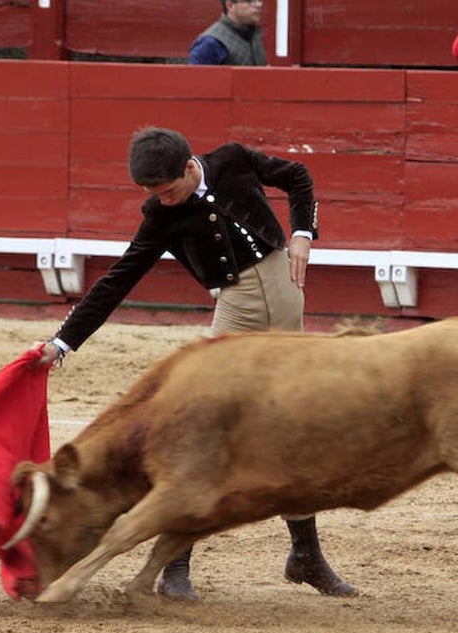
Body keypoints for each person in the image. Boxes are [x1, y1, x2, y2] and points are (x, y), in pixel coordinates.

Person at [30, 126, 356, 601]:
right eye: (153, 194)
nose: (163, 201)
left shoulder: (231, 160)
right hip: (237, 310)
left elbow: (298, 177)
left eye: (167, 191)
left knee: (293, 428)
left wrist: (303, 233)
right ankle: (174, 565)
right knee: (200, 428)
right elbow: (119, 280)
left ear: (189, 168)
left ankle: (305, 555)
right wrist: (63, 343)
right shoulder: (160, 216)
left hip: (286, 296)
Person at [189, 0, 267, 66]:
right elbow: (196, 81)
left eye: (259, 0)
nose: (258, 5)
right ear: (230, 5)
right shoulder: (210, 42)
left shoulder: (253, 35)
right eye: (249, 1)